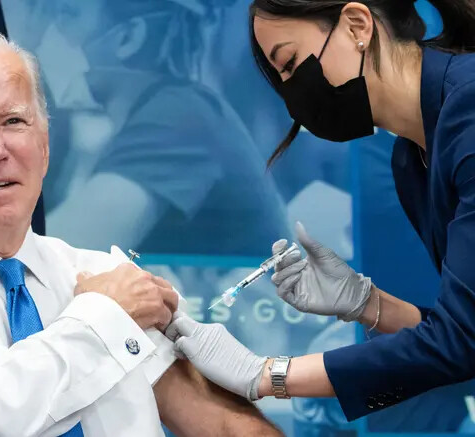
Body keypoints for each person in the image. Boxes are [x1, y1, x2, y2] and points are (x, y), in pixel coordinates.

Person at [0, 31, 282, 437]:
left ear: (45, 149)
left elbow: (223, 426)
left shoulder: (106, 273)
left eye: (13, 121)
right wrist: (105, 312)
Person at [165, 0, 475, 424]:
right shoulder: (412, 161)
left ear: (356, 25)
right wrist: (366, 303)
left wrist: (266, 374)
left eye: (290, 63)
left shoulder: (469, 111)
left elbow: (459, 341)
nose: (294, 99)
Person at [40, 0, 290, 257]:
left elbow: (66, 253)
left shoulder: (182, 121)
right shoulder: (147, 117)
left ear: (128, 38)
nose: (45, 32)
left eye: (67, 13)